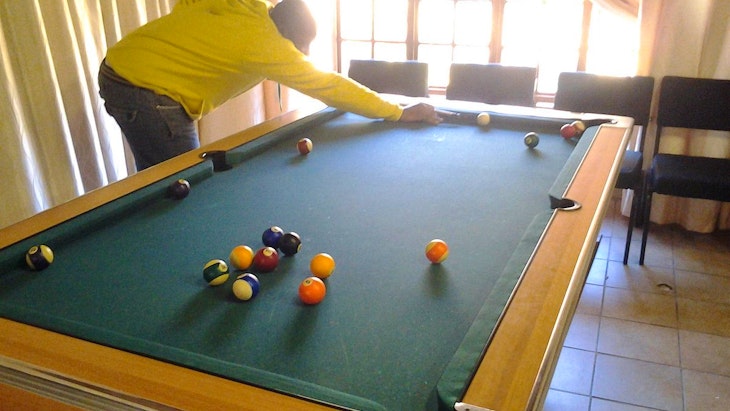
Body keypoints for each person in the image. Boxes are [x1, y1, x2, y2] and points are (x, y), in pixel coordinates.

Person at [98, 0, 442, 170]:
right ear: (285, 36)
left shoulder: (252, 8)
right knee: (181, 183)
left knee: (161, 179)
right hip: (145, 91)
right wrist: (397, 112)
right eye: (301, 46)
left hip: (122, 67)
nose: (304, 54)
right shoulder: (267, 43)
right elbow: (329, 85)